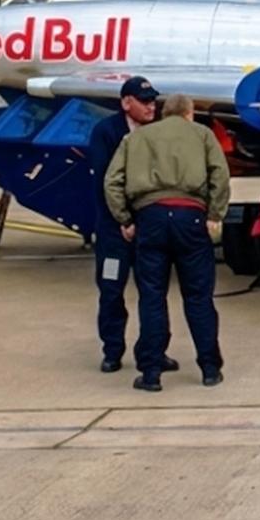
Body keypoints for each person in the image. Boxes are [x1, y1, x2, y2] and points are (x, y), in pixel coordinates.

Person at [103, 92, 231, 390]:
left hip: (151, 219)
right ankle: (210, 368)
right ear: (190, 113)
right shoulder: (202, 135)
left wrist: (125, 219)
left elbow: (112, 181)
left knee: (152, 296)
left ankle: (151, 372)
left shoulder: (136, 139)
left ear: (163, 113)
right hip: (191, 218)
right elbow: (220, 175)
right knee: (199, 297)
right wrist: (215, 213)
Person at [84, 76, 173, 374]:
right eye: (144, 101)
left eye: (153, 101)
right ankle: (112, 350)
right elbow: (102, 184)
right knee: (111, 289)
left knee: (153, 291)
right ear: (126, 103)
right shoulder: (106, 132)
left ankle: (153, 350)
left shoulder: (158, 131)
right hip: (114, 229)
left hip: (149, 226)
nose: (151, 106)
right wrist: (122, 220)